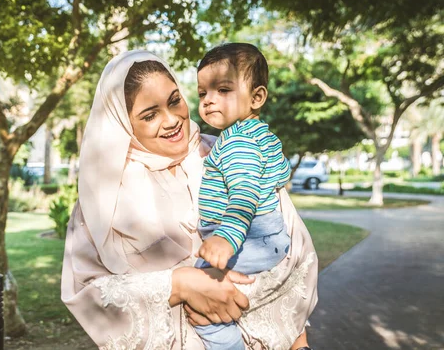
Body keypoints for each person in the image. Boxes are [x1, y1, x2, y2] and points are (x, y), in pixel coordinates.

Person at [61, 50, 318, 350]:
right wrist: (178, 284)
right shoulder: (104, 194)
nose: (172, 121)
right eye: (150, 114)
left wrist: (299, 344)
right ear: (124, 123)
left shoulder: (227, 151)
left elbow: (295, 251)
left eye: (174, 101)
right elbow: (86, 291)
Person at [193, 43, 310, 350]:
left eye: (222, 89)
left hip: (248, 238)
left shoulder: (236, 144)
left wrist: (226, 239)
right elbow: (281, 174)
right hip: (270, 235)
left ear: (257, 97)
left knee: (203, 304)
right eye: (203, 93)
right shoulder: (260, 135)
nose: (209, 100)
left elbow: (243, 198)